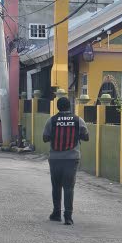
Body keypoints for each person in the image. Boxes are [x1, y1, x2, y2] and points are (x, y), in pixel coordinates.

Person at [42, 96, 90, 226]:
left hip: (55, 158)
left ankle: (56, 213)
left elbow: (45, 138)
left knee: (56, 187)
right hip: (71, 158)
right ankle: (68, 217)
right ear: (70, 106)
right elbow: (86, 137)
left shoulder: (51, 120)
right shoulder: (78, 120)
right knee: (69, 188)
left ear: (58, 107)